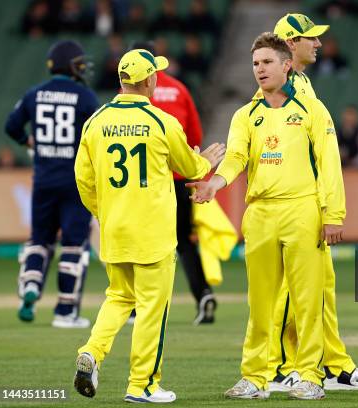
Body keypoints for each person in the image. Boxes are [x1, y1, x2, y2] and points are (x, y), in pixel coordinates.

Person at [188, 32, 343, 400]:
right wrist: (215, 183)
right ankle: (254, 378)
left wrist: (333, 213)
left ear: (287, 65)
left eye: (267, 62)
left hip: (302, 208)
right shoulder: (246, 115)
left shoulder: (312, 110)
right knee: (259, 302)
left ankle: (309, 375)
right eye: (256, 63)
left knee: (307, 299)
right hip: (259, 213)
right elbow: (237, 158)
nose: (260, 69)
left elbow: (329, 163)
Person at [72, 48, 225, 403]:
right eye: (155, 73)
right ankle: (142, 385)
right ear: (148, 81)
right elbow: (189, 167)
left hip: (114, 229)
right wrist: (205, 161)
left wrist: (102, 212)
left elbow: (82, 179)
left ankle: (92, 353)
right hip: (153, 231)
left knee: (119, 296)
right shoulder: (161, 122)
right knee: (153, 308)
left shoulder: (95, 121)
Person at [265, 13, 358, 392]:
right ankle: (277, 366)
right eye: (310, 39)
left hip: (308, 204)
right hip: (292, 206)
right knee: (291, 291)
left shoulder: (300, 84)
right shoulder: (278, 94)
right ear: (289, 44)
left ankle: (333, 364)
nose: (318, 44)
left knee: (322, 289)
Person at [5, 40, 99, 328]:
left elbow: (11, 126)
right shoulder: (84, 96)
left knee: (40, 240)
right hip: (74, 181)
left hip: (43, 179)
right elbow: (98, 133)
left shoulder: (35, 94)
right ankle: (65, 311)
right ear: (71, 65)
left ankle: (30, 286)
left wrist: (28, 141)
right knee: (73, 245)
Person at [131, 40, 215, 325]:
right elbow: (194, 135)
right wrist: (195, 168)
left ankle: (135, 306)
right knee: (185, 242)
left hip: (145, 183)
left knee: (141, 242)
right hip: (179, 179)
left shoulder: (132, 93)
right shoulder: (179, 88)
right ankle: (203, 294)